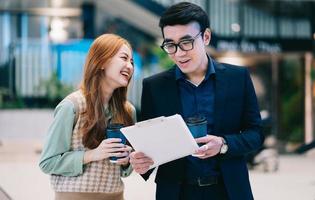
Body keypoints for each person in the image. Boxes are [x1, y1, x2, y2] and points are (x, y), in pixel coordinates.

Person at [129, 2, 263, 200]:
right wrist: (141, 162)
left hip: (229, 191)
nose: (179, 53)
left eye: (186, 42)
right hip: (177, 192)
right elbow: (150, 146)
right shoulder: (154, 87)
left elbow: (256, 134)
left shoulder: (238, 78)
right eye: (170, 44)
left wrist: (224, 144)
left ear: (206, 36)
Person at [39, 33, 136, 200]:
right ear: (102, 62)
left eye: (132, 62)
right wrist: (91, 155)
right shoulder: (72, 106)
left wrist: (127, 159)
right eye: (124, 58)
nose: (130, 66)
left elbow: (125, 171)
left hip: (116, 196)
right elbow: (48, 162)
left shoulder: (128, 111)